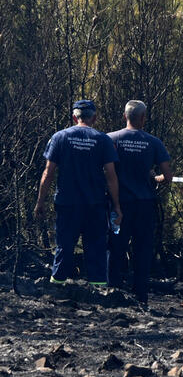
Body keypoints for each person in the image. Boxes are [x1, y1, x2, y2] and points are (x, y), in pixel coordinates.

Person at [34, 100, 122, 286]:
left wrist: (40, 201)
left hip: (67, 203)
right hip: (95, 204)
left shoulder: (59, 137)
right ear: (94, 118)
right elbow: (111, 176)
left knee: (64, 247)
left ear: (74, 117)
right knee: (96, 248)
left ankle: (57, 287)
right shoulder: (103, 140)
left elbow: (48, 173)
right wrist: (116, 206)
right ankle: (98, 291)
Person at [107, 100, 172, 307]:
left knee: (115, 247)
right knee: (142, 250)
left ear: (125, 116)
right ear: (143, 118)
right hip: (144, 205)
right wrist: (156, 178)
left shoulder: (111, 139)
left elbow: (103, 171)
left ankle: (113, 294)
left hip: (119, 205)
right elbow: (168, 176)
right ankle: (141, 297)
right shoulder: (153, 142)